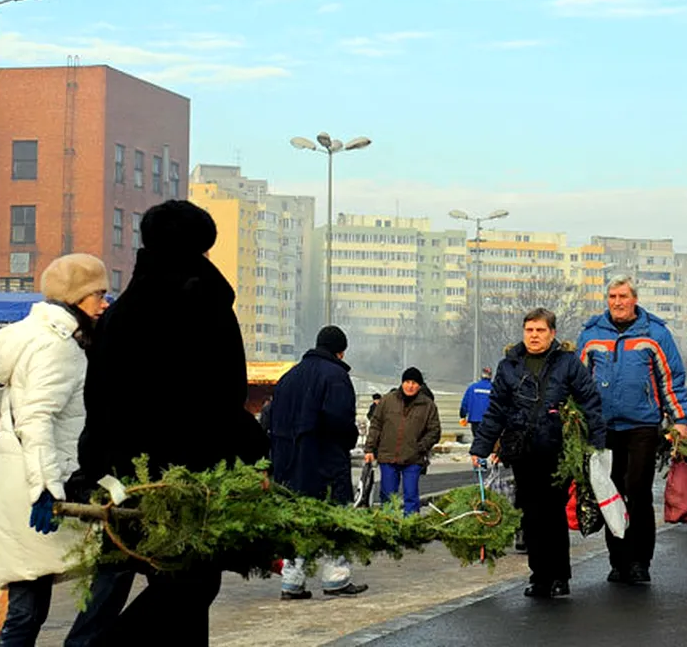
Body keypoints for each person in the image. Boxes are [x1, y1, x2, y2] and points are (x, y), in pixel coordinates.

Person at [73, 200, 269, 644]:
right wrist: (252, 456)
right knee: (191, 583)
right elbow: (225, 395)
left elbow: (99, 398)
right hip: (191, 476)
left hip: (129, 475)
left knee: (177, 586)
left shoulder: (122, 314)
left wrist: (98, 469)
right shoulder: (207, 306)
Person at [0, 253, 109, 647]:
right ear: (74, 297)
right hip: (37, 481)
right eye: (97, 294)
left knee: (29, 596)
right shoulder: (56, 347)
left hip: (23, 477)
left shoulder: (48, 339)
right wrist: (46, 490)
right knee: (108, 565)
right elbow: (36, 418)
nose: (104, 304)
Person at [471, 308, 605, 599]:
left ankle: (560, 575)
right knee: (531, 515)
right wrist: (481, 446)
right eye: (529, 330)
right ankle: (539, 575)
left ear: (552, 333)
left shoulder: (568, 363)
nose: (534, 336)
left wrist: (596, 443)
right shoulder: (509, 365)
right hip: (522, 451)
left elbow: (590, 401)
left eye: (540, 330)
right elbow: (495, 410)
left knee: (553, 513)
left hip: (557, 450)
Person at [578, 276, 687, 585]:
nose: (617, 301)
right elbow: (578, 382)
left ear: (634, 299)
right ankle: (619, 561)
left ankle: (641, 560)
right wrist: (574, 421)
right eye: (612, 296)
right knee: (610, 494)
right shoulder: (590, 335)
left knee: (638, 492)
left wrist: (680, 418)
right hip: (604, 428)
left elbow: (671, 380)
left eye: (623, 296)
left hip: (642, 425)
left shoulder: (655, 333)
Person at [270, 325, 369, 599]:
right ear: (340, 351)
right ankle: (336, 578)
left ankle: (291, 581)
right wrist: (349, 438)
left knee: (297, 522)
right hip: (324, 463)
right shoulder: (336, 377)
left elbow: (270, 420)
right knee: (335, 517)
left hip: (288, 465)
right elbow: (340, 422)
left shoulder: (288, 378)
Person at [365, 367, 441, 515]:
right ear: (402, 383)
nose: (410, 386)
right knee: (388, 496)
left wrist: (420, 447)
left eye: (414, 383)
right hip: (388, 456)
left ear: (420, 385)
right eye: (407, 382)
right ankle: (388, 525)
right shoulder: (388, 400)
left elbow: (434, 431)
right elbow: (376, 425)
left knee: (411, 496)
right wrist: (369, 448)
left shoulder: (428, 405)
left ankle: (410, 526)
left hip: (413, 458)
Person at [459, 367, 493, 438]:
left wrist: (462, 415)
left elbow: (465, 403)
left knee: (477, 440)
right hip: (490, 420)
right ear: (491, 376)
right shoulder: (494, 388)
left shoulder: (472, 387)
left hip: (475, 419)